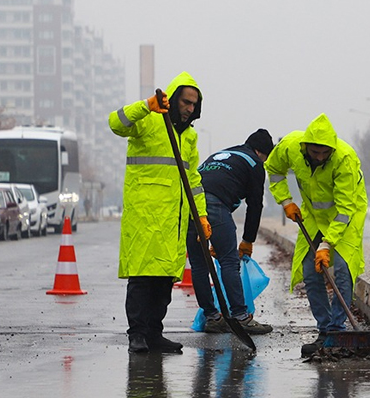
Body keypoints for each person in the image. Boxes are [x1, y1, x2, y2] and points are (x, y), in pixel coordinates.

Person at [108, 72, 210, 353]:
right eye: (186, 102)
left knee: (164, 281)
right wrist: (146, 105)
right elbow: (115, 122)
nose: (189, 109)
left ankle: (154, 333)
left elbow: (193, 181)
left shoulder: (188, 137)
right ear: (175, 99)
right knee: (142, 279)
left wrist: (201, 216)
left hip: (173, 222)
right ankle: (137, 334)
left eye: (194, 105)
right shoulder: (149, 121)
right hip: (145, 216)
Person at [265, 113, 367, 332]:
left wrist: (327, 244)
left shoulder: (344, 159)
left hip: (346, 214)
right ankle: (325, 327)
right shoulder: (290, 146)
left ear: (332, 149)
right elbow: (274, 170)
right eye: (314, 152)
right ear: (304, 146)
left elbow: (345, 208)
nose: (320, 157)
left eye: (324, 153)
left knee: (342, 268)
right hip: (312, 215)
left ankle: (337, 327)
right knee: (311, 271)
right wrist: (286, 201)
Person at [185, 128, 275, 335]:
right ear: (262, 152)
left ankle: (212, 317)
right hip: (214, 205)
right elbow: (255, 205)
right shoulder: (254, 163)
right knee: (228, 260)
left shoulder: (221, 154)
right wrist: (248, 240)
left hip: (190, 204)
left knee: (199, 263)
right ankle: (241, 317)